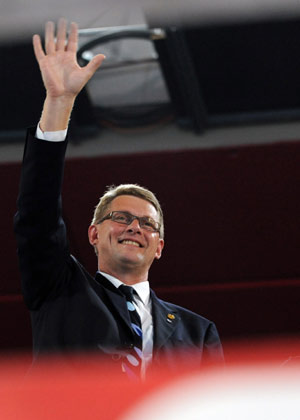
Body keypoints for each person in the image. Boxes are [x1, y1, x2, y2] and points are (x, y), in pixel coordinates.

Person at [14, 19, 223, 378]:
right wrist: (60, 102)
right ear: (94, 234)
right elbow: (37, 213)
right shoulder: (58, 288)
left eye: (147, 224)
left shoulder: (198, 332)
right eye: (121, 217)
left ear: (159, 246)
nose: (135, 228)